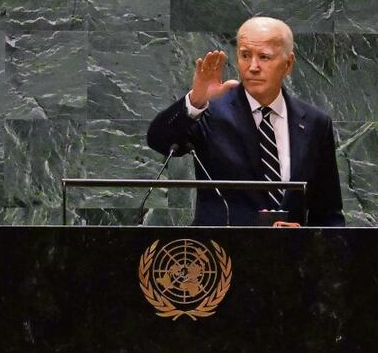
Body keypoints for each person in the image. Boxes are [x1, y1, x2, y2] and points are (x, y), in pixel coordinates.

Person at [147, 17, 345, 227]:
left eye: (264, 57)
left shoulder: (315, 123)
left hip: (291, 256)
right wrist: (196, 100)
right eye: (245, 55)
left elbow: (328, 213)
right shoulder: (210, 112)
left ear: (287, 64)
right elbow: (158, 140)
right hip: (222, 254)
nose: (253, 67)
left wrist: (308, 238)